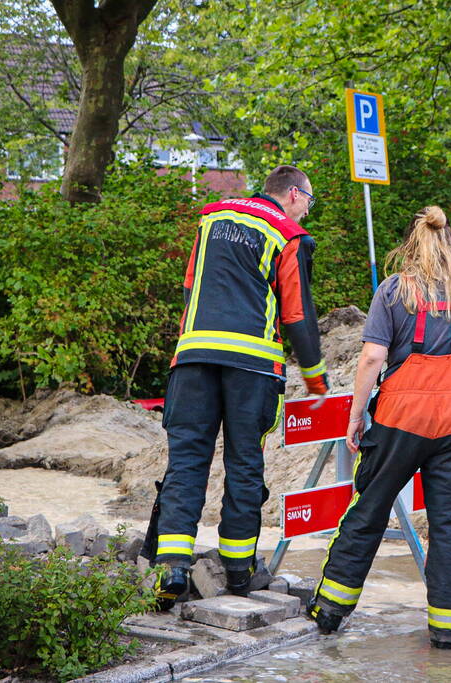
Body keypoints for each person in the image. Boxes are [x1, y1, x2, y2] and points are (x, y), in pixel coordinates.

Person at [307, 206, 451, 648]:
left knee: (369, 510)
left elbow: (372, 357)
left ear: (412, 246)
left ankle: (329, 611)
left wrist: (356, 416)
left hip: (401, 416)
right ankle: (449, 631)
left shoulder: (394, 290)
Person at [141, 165, 329, 608]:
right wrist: (315, 376)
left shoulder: (211, 218)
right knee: (245, 465)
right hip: (253, 369)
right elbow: (297, 314)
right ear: (294, 195)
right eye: (309, 201)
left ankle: (172, 569)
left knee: (186, 462)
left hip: (193, 360)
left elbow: (190, 287)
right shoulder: (288, 236)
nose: (307, 211)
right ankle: (240, 572)